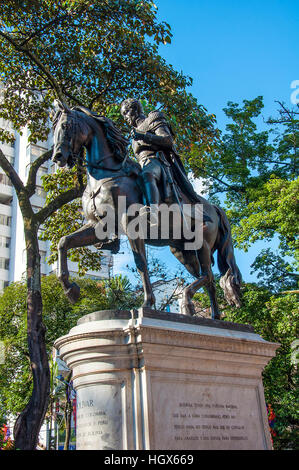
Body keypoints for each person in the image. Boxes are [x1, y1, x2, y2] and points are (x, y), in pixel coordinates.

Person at [120, 98, 210, 225]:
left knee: (147, 174)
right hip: (143, 164)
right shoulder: (133, 135)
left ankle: (153, 212)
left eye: (126, 112)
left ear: (135, 109)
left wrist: (144, 136)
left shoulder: (152, 119)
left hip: (157, 161)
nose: (125, 118)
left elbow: (167, 140)